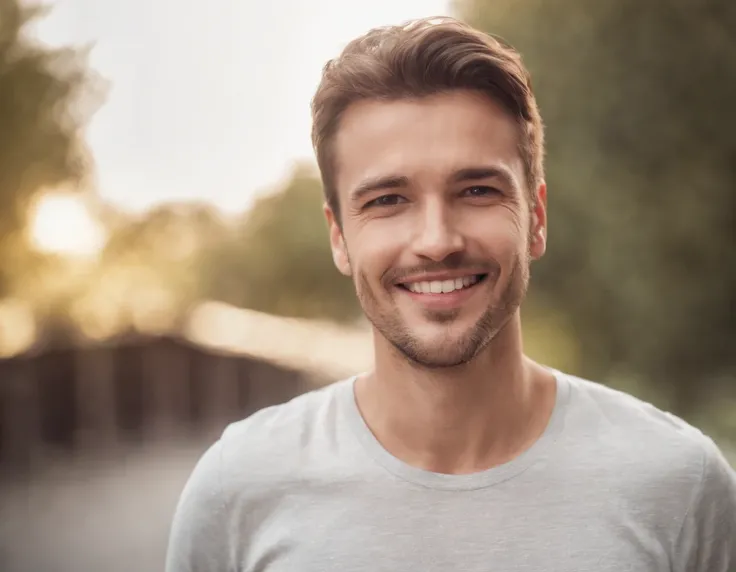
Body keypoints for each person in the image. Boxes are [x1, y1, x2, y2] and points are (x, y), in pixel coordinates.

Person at [165, 16, 736, 572]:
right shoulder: (238, 489)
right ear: (339, 237)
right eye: (388, 200)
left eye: (478, 190)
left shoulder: (679, 485)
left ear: (536, 218)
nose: (437, 241)